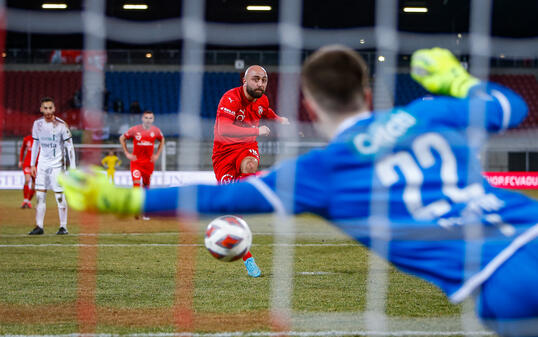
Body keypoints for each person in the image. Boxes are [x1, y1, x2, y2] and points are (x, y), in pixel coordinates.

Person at [60, 47, 538, 336]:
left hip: (502, 281)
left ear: (309, 101)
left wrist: (123, 199)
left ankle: (243, 251)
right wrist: (459, 80)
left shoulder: (323, 171)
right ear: (366, 93)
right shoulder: (429, 113)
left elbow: (217, 200)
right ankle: (247, 254)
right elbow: (511, 106)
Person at [212, 65, 289, 277]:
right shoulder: (230, 99)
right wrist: (256, 130)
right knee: (232, 208)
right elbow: (223, 129)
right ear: (244, 81)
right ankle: (248, 257)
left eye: (264, 80)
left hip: (246, 148)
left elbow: (267, 111)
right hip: (223, 154)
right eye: (256, 79)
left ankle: (247, 201)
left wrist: (279, 119)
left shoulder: (262, 100)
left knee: (250, 165)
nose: (260, 84)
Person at [29, 97, 76, 235]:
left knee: (59, 196)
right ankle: (39, 226)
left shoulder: (62, 125)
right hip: (42, 165)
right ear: (41, 109)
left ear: (54, 109)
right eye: (45, 108)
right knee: (40, 195)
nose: (48, 111)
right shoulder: (37, 124)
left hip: (57, 166)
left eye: (50, 108)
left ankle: (63, 226)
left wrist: (72, 168)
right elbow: (35, 144)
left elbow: (70, 147)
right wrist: (33, 164)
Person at [119, 110, 164, 220]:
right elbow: (122, 138)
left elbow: (162, 140)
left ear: (153, 120)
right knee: (136, 185)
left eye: (150, 118)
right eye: (146, 118)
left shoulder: (156, 131)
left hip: (148, 164)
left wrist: (157, 154)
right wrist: (127, 153)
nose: (148, 120)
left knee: (146, 187)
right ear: (142, 119)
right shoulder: (135, 130)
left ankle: (145, 210)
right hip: (136, 163)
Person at [19, 134, 38, 209]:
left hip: (37, 164)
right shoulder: (27, 139)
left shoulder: (41, 139)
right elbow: (22, 149)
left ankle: (28, 201)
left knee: (34, 184)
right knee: (27, 179)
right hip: (27, 163)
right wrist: (20, 160)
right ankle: (25, 200)